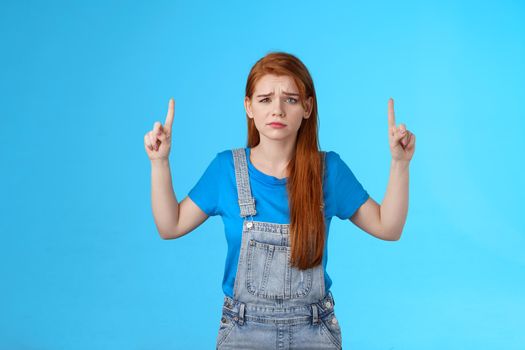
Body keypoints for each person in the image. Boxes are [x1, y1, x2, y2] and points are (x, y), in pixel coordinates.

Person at [144, 52, 415, 349]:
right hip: (242, 333)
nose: (278, 110)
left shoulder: (329, 171)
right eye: (265, 100)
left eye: (290, 99)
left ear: (307, 107)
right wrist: (160, 162)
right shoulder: (226, 171)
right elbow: (170, 226)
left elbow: (388, 228)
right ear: (248, 107)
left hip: (314, 333)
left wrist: (400, 163)